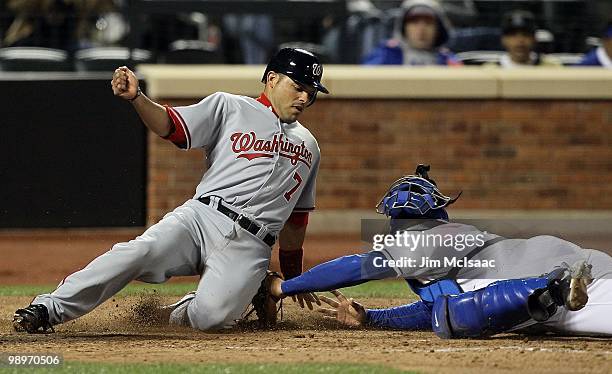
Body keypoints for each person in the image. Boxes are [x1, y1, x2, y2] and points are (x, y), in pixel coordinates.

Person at [12, 47, 328, 333]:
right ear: (271, 79)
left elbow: (296, 221)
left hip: (252, 244)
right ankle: (47, 309)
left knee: (211, 319)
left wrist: (293, 278)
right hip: (202, 217)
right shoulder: (230, 106)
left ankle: (246, 290)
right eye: (298, 87)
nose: (304, 98)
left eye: (310, 93)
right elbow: (171, 126)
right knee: (136, 252)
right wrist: (138, 98)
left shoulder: (309, 146)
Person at [266, 165, 612, 338]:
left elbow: (353, 268)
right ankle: (554, 289)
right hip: (563, 271)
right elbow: (433, 311)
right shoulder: (450, 247)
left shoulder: (429, 241)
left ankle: (555, 289)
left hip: (582, 283)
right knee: (453, 312)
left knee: (461, 315)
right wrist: (370, 318)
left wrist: (284, 287)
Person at [362, 0, 461, 66]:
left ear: (439, 28)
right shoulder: (387, 54)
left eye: (428, 23)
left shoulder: (448, 60)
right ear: (403, 27)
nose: (421, 29)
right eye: (414, 22)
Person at [490, 10, 562, 68]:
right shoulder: (491, 70)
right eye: (513, 35)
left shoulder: (551, 68)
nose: (520, 40)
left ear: (534, 39)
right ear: (504, 40)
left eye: (526, 35)